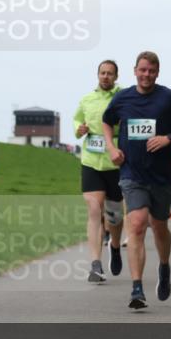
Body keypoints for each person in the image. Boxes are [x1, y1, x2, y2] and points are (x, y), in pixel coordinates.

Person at [102, 52, 171, 309]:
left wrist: (169, 137)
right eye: (142, 70)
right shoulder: (122, 98)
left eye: (151, 71)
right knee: (136, 224)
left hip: (162, 176)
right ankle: (137, 288)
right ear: (135, 71)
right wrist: (111, 148)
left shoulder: (169, 98)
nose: (146, 75)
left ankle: (164, 268)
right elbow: (106, 122)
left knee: (159, 227)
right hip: (131, 173)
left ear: (157, 73)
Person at [73, 60, 125, 282]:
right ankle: (95, 264)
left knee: (114, 215)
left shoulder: (123, 97)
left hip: (116, 160)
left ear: (116, 76)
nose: (105, 76)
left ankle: (114, 246)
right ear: (97, 75)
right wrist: (79, 129)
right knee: (94, 208)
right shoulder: (87, 99)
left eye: (110, 73)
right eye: (102, 73)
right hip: (91, 160)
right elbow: (77, 122)